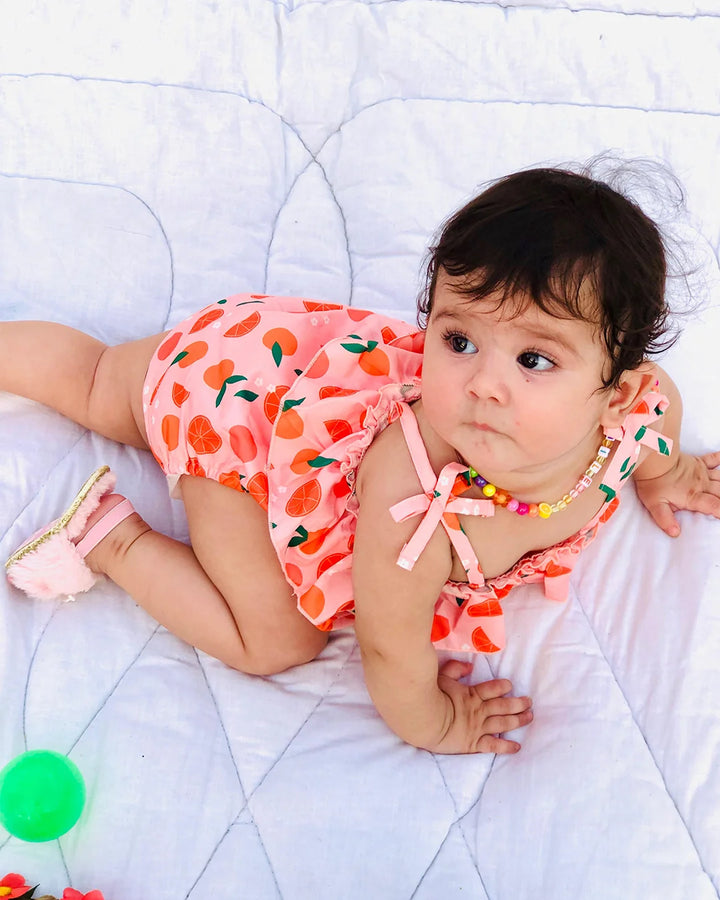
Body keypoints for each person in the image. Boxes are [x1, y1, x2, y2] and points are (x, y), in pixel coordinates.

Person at [3, 166, 720, 756]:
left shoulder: (640, 417)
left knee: (103, 376)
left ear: (618, 393)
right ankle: (113, 539)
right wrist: (438, 722)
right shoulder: (415, 514)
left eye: (534, 358)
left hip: (275, 358)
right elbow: (388, 649)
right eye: (458, 339)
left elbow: (663, 421)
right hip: (239, 427)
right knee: (276, 640)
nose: (482, 383)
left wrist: (672, 473)